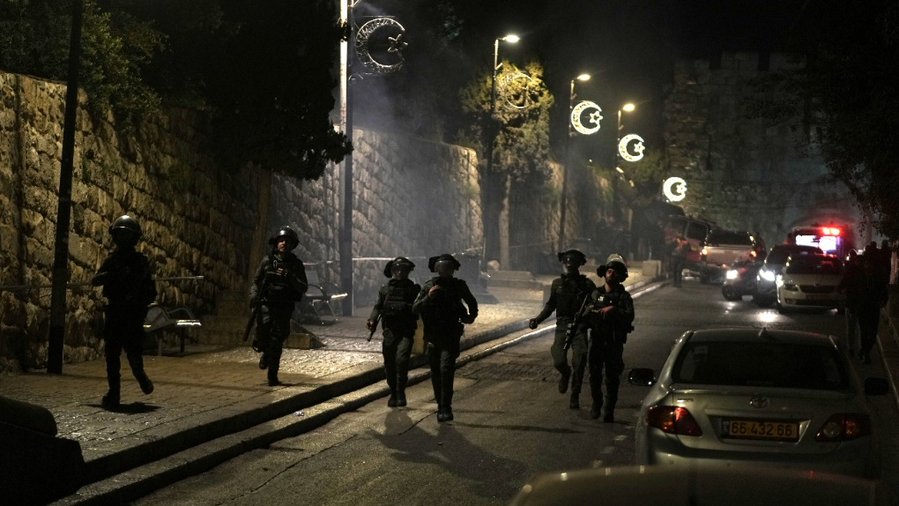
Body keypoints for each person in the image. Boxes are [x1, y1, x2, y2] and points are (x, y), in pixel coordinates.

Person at [92, 215, 157, 409]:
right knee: (112, 355)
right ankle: (114, 393)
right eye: (120, 234)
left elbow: (149, 291)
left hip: (131, 314)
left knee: (133, 353)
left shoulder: (140, 262)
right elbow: (96, 280)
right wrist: (108, 276)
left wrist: (136, 302)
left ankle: (140, 376)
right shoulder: (113, 261)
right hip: (115, 312)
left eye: (126, 235)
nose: (122, 238)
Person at [412, 254, 478, 422]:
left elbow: (472, 302)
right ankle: (440, 405)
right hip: (433, 336)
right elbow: (415, 308)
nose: (445, 271)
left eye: (448, 268)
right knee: (435, 372)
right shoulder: (429, 286)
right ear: (437, 269)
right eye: (442, 268)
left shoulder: (458, 286)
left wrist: (470, 317)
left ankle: (446, 407)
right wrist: (429, 296)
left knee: (446, 369)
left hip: (450, 334)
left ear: (452, 269)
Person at [528, 249, 596, 409]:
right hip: (563, 324)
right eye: (567, 261)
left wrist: (589, 310)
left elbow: (597, 299)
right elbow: (551, 305)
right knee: (558, 358)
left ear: (580, 264)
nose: (570, 264)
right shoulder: (557, 284)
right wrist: (537, 319)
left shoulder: (587, 284)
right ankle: (565, 374)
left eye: (573, 261)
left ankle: (575, 394)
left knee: (579, 360)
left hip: (579, 326)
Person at [250, 226, 308, 386]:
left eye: (287, 242)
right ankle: (266, 353)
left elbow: (303, 287)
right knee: (261, 337)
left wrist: (290, 277)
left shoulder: (295, 264)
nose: (283, 244)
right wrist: (254, 297)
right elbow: (256, 281)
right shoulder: (267, 261)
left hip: (283, 307)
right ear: (276, 243)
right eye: (281, 241)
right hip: (266, 305)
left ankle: (272, 375)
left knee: (277, 341)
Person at [580, 255, 635, 422]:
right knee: (594, 375)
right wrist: (590, 313)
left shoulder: (624, 297)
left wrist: (614, 310)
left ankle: (609, 409)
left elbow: (629, 316)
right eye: (609, 271)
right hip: (596, 340)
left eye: (615, 272)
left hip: (613, 342)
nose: (611, 274)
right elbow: (583, 315)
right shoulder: (596, 294)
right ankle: (597, 403)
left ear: (620, 277)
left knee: (612, 377)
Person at [367, 257, 421, 407]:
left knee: (401, 361)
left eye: (403, 270)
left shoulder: (413, 289)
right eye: (397, 270)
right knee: (389, 363)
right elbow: (378, 307)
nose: (399, 273)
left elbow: (418, 307)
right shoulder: (385, 289)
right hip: (390, 331)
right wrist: (372, 319)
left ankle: (400, 392)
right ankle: (393, 392)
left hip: (406, 330)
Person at [838, 249, 863, 356]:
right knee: (860, 328)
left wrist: (843, 290)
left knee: (852, 328)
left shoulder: (850, 271)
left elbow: (841, 286)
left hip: (852, 303)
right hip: (860, 304)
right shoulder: (864, 273)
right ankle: (861, 349)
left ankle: (851, 348)